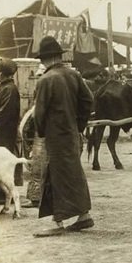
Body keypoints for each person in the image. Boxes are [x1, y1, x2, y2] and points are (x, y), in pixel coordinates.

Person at [32, 36, 95, 237]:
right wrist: (79, 125)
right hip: (71, 133)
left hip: (55, 135)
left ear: (45, 59)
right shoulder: (73, 75)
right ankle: (83, 215)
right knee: (74, 173)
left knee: (53, 175)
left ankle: (58, 222)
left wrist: (41, 132)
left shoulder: (45, 80)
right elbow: (88, 100)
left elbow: (39, 113)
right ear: (58, 56)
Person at [0, 58, 22, 203]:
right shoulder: (3, 87)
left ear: (1, 74)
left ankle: (3, 196)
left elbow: (5, 112)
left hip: (3, 133)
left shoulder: (10, 90)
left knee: (1, 164)